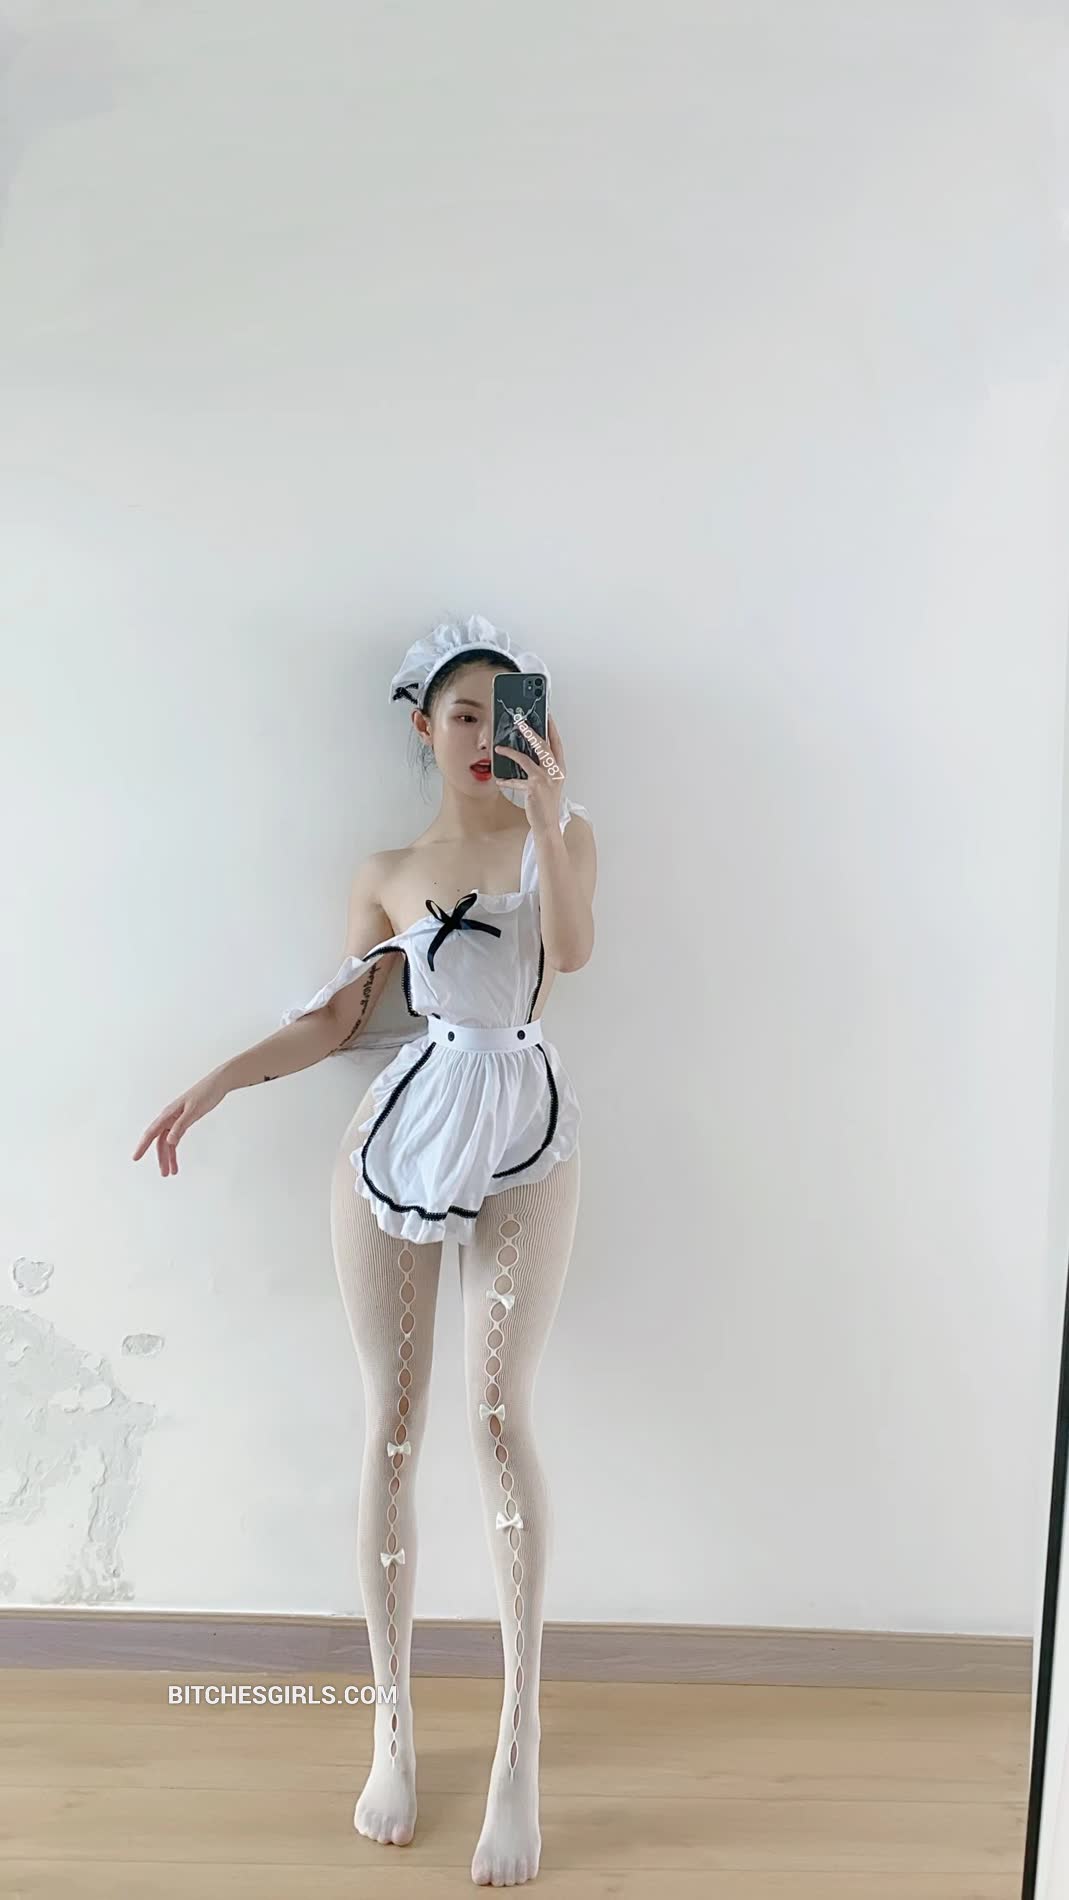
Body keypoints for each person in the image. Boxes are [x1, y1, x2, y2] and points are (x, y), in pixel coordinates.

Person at [133, 614, 597, 1888]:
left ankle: (516, 1749)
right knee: (390, 1422)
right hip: (404, 1126)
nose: (485, 735)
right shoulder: (388, 868)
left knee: (497, 1415)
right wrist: (219, 1080)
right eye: (464, 715)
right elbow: (339, 1016)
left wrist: (549, 814)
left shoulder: (562, 834)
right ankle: (391, 1729)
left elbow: (573, 951)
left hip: (527, 1128)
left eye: (506, 713)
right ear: (423, 727)